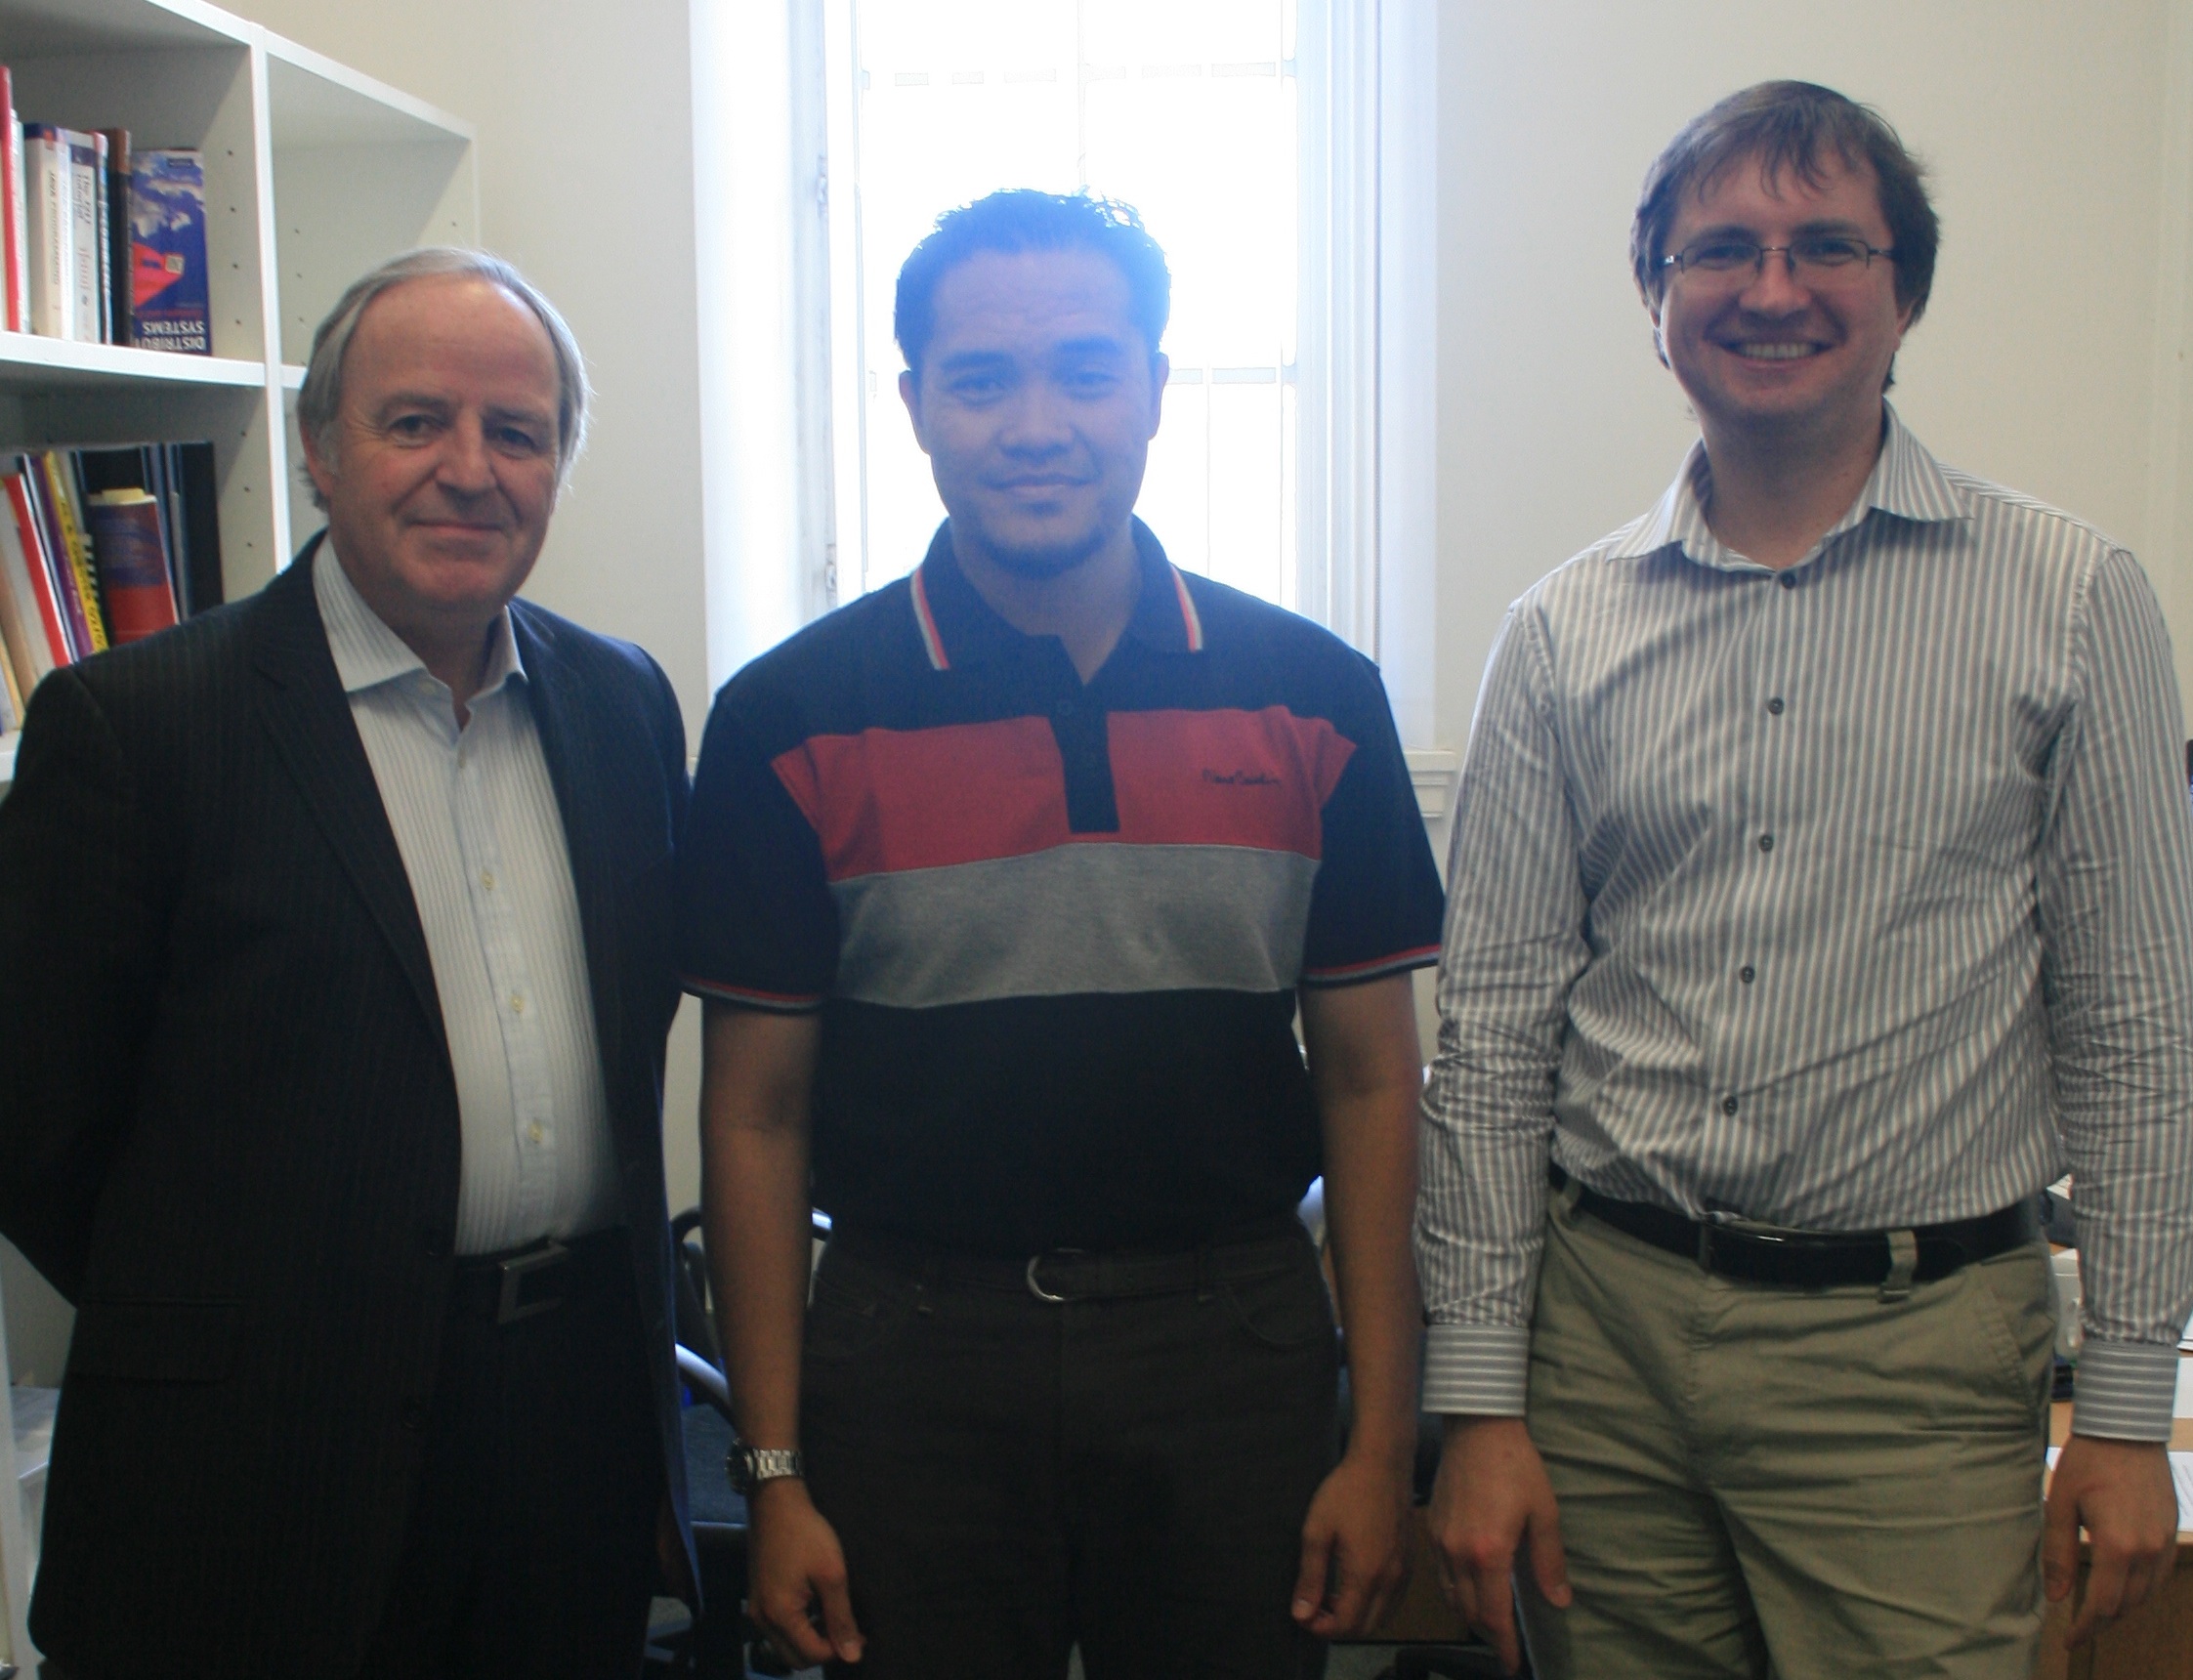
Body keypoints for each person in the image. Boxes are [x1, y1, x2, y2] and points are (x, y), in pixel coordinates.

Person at [1415, 79, 2193, 1680]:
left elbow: (2134, 1032)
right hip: (1602, 1345)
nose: (1770, 290)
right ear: (1656, 305)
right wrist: (1478, 1401)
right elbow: (1491, 1043)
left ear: (1902, 293)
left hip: (1909, 1366)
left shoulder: (2069, 600)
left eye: (1824, 245)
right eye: (1719, 253)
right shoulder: (1561, 634)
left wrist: (2124, 1413)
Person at [679, 189, 1445, 1678]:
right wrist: (771, 1477)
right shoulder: (788, 716)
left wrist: (1379, 1439)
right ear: (916, 406)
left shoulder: (1313, 696)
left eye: (1086, 370)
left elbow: (1368, 1083)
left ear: (1154, 385)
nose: (1038, 422)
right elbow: (754, 1120)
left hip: (1229, 1349)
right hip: (910, 1354)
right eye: (982, 379)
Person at [0, 248, 694, 1679]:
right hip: (256, 1447)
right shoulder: (136, 729)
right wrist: (257, 1301)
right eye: (413, 420)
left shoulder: (621, 705)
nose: (469, 470)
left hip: (565, 1422)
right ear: (320, 451)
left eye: (517, 432)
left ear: (560, 460)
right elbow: (34, 1125)